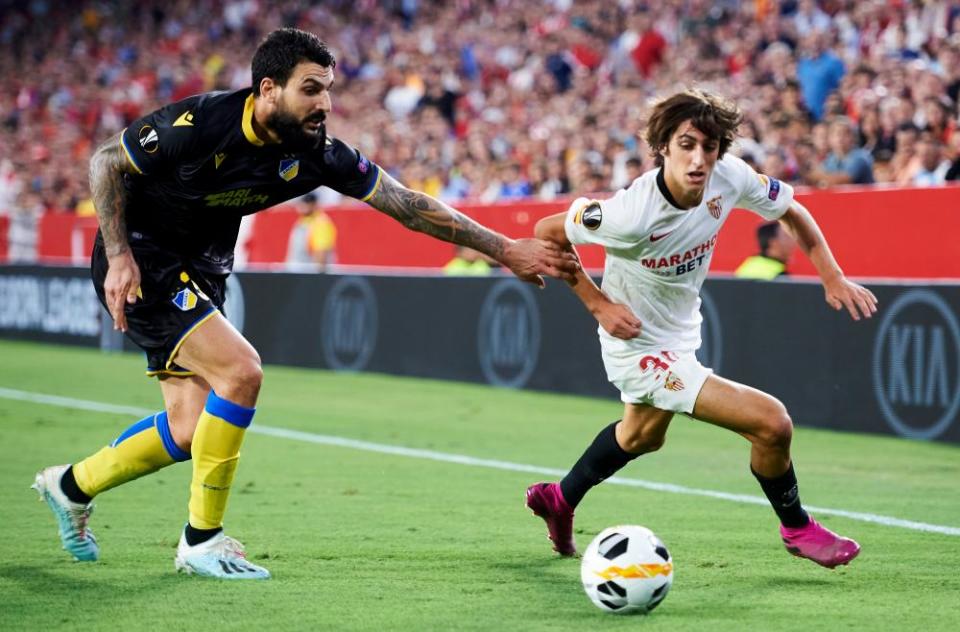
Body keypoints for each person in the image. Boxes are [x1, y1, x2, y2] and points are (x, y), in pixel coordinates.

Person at [32, 28, 579, 580]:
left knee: (189, 428)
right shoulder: (200, 124)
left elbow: (407, 204)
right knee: (242, 372)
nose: (325, 104)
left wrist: (504, 247)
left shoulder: (316, 153)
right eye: (311, 89)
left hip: (201, 267)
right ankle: (202, 542)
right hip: (142, 255)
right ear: (268, 89)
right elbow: (106, 162)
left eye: (328, 90)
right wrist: (120, 252)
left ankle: (70, 486)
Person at [525, 89, 877, 569]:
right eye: (686, 145)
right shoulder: (629, 215)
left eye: (708, 147)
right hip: (636, 346)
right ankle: (797, 528)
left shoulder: (729, 177)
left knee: (642, 436)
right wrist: (598, 303)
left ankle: (558, 500)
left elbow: (791, 210)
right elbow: (547, 233)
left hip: (678, 333)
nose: (698, 159)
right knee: (772, 423)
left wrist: (831, 274)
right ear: (663, 146)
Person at [286, 192, 337, 270]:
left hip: (308, 274)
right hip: (298, 273)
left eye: (307, 203)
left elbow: (321, 252)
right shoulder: (303, 221)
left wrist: (317, 276)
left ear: (314, 204)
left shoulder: (320, 223)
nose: (303, 206)